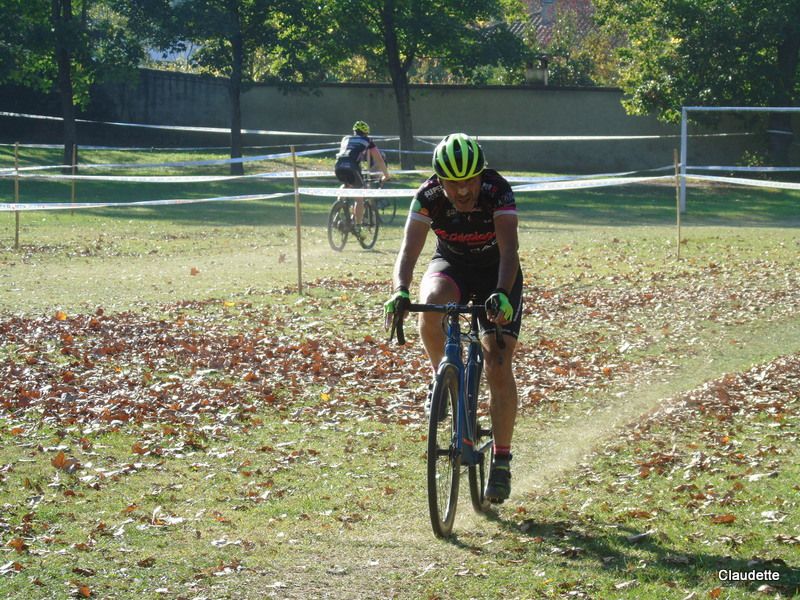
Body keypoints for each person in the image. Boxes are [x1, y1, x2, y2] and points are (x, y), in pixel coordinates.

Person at [384, 133, 523, 503]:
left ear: (481, 175)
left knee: (497, 359)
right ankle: (444, 381)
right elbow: (408, 251)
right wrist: (399, 288)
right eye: (453, 184)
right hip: (453, 265)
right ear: (439, 182)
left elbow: (510, 250)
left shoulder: (498, 190)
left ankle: (503, 459)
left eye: (470, 181)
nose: (462, 192)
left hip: (498, 271)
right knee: (430, 306)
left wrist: (502, 294)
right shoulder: (427, 197)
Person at [334, 120, 391, 234]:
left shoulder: (345, 139)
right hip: (352, 167)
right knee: (359, 198)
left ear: (354, 132)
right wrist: (386, 175)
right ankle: (358, 227)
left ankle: (338, 210)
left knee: (346, 186)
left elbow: (349, 152)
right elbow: (379, 159)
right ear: (366, 133)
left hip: (338, 166)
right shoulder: (367, 140)